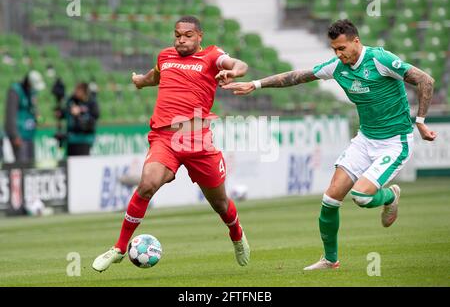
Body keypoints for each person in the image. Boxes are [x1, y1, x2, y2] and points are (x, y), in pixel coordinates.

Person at [223, 19, 437, 270]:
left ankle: (390, 196)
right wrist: (256, 84)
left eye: (342, 48)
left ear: (356, 41)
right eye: (334, 49)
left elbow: (426, 80)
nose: (338, 54)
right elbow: (298, 76)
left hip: (394, 142)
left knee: (361, 196)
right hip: (365, 140)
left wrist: (420, 121)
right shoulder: (337, 66)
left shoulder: (381, 59)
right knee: (330, 199)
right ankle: (330, 260)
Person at [92, 15, 250, 272]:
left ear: (200, 36)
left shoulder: (212, 56)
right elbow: (156, 75)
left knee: (220, 203)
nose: (181, 40)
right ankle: (119, 248)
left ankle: (236, 233)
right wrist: (140, 82)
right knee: (147, 185)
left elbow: (238, 64)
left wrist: (234, 71)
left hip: (198, 140)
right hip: (165, 138)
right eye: (178, 35)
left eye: (188, 35)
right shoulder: (165, 56)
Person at [4, 70, 45, 164]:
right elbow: (10, 115)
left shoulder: (32, 92)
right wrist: (14, 135)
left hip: (30, 134)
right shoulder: (15, 91)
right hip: (19, 136)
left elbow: (33, 109)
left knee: (31, 164)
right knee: (22, 164)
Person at [64, 82, 99, 156]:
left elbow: (95, 116)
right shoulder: (72, 101)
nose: (76, 92)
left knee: (83, 162)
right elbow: (65, 113)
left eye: (78, 90)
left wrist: (80, 112)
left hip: (85, 139)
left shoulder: (91, 102)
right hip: (72, 138)